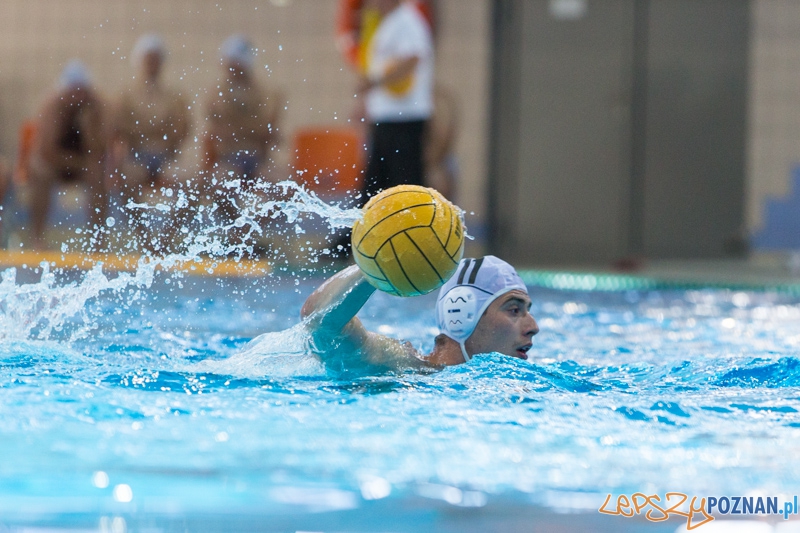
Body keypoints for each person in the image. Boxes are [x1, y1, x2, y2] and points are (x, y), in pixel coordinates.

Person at [300, 256, 539, 370]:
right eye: (514, 309)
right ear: (461, 312)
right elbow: (321, 323)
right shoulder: (399, 367)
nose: (533, 327)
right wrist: (377, 263)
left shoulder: (513, 388)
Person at [109, 34, 192, 253]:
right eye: (149, 59)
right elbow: (117, 130)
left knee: (192, 183)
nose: (153, 64)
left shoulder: (175, 97)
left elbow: (182, 131)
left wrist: (154, 137)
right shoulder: (125, 96)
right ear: (140, 61)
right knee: (126, 178)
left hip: (166, 158)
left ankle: (165, 240)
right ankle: (144, 239)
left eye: (156, 59)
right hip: (137, 157)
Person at [203, 35, 283, 251]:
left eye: (236, 66)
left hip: (257, 161)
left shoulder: (267, 93)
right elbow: (218, 132)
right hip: (229, 159)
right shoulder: (217, 93)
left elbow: (270, 134)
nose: (233, 71)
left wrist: (246, 131)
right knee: (219, 184)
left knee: (286, 189)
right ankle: (239, 234)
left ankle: (245, 232)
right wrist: (250, 130)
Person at [357, 0, 435, 201]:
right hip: (387, 116)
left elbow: (412, 59)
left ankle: (415, 230)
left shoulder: (408, 21)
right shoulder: (388, 23)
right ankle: (359, 229)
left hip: (404, 118)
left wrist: (375, 82)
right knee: (377, 183)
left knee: (405, 185)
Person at [27, 60, 108, 250]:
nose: (77, 98)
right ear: (64, 92)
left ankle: (97, 238)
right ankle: (37, 237)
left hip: (81, 164)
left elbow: (100, 150)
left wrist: (89, 127)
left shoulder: (96, 107)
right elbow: (46, 152)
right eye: (73, 92)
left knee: (97, 173)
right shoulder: (52, 108)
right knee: (40, 171)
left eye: (81, 92)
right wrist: (76, 162)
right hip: (55, 164)